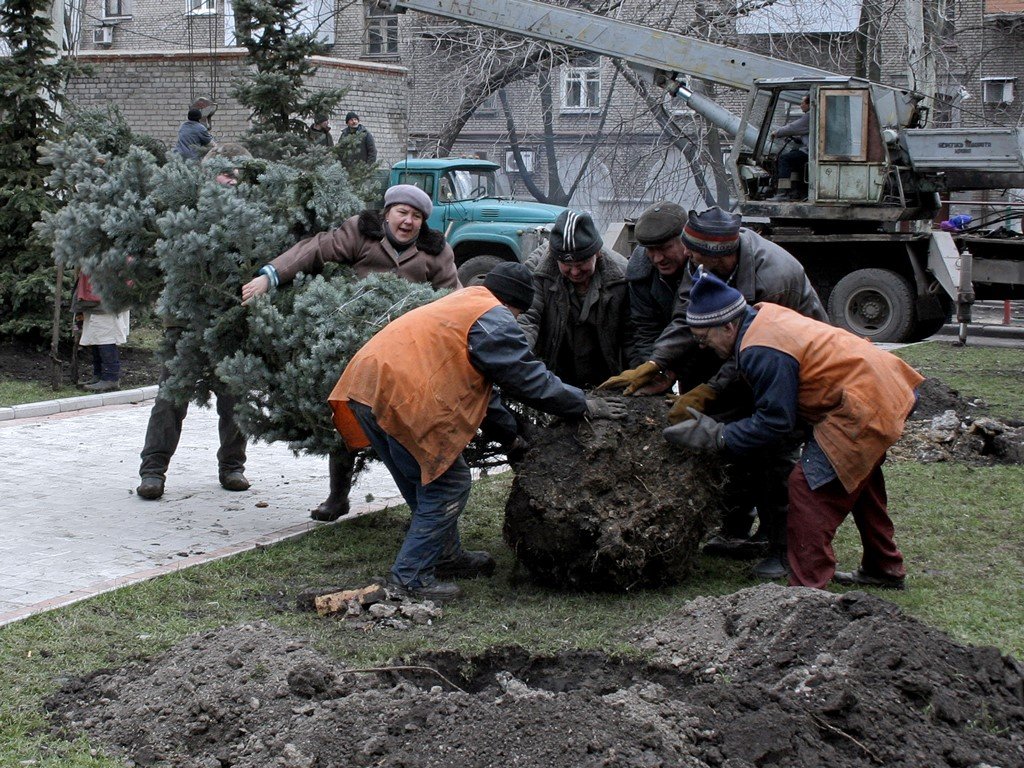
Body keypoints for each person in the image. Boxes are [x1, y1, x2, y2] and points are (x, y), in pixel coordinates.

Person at [327, 262, 627, 602]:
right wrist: (582, 404)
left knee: (423, 480)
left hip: (366, 386)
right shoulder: (493, 317)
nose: (515, 321)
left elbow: (484, 395)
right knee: (448, 485)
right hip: (404, 394)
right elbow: (528, 379)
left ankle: (445, 556)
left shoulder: (464, 303)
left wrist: (510, 436)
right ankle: (409, 578)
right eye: (518, 314)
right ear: (514, 305)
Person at [662, 268, 923, 591]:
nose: (703, 346)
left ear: (728, 325)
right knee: (857, 480)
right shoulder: (761, 318)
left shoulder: (761, 349)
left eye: (704, 338)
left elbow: (775, 422)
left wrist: (719, 436)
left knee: (807, 488)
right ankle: (884, 566)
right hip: (884, 385)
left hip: (863, 402)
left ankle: (807, 588)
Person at [601, 206, 827, 578]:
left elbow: (759, 349)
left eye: (695, 255)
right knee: (737, 442)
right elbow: (689, 315)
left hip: (793, 364)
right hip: (756, 356)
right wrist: (656, 363)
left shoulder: (775, 277)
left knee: (775, 449)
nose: (688, 260)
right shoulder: (703, 260)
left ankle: (783, 549)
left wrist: (709, 389)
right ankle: (739, 531)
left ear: (722, 253)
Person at [241, 184, 459, 523]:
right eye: (403, 212)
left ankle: (421, 503)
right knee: (345, 415)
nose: (408, 221)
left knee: (412, 424)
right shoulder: (361, 233)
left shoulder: (435, 251)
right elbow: (315, 249)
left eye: (417, 217)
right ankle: (337, 496)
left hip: (410, 351)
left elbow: (450, 296)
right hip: (356, 346)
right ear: (387, 213)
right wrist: (270, 277)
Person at [136, 144, 254, 501]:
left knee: (234, 397)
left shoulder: (252, 216)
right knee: (171, 397)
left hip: (231, 320)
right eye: (224, 170)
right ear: (207, 173)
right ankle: (152, 470)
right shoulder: (184, 208)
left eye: (237, 171)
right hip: (184, 320)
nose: (230, 177)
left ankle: (233, 466)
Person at [518, 209, 634, 389]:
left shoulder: (620, 276)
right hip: (555, 370)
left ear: (597, 253)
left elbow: (631, 334)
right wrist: (517, 360)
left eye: (581, 265)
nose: (574, 272)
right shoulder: (537, 271)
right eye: (566, 265)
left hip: (606, 373)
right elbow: (527, 319)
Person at [623, 201, 690, 394]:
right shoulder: (641, 273)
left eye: (665, 248)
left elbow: (691, 324)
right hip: (666, 354)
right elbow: (645, 328)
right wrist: (653, 372)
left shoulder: (703, 267)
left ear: (685, 240)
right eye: (651, 250)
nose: (658, 258)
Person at [73, 271, 130, 393]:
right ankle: (98, 375)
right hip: (95, 295)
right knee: (96, 336)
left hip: (107, 298)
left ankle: (110, 378)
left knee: (106, 337)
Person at [769, 95, 810, 201]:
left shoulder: (809, 116)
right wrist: (797, 138)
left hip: (810, 153)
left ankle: (783, 192)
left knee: (784, 159)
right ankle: (796, 191)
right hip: (811, 151)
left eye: (803, 103)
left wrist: (777, 133)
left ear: (810, 104)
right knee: (794, 154)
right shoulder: (817, 116)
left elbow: (793, 127)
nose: (801, 105)